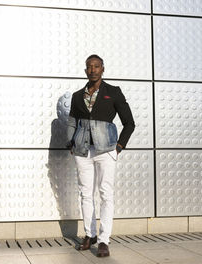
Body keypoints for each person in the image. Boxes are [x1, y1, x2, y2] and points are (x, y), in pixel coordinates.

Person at [66, 54, 135, 257]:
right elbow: (72, 121)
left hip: (106, 151)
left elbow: (129, 122)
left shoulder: (113, 92)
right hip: (82, 152)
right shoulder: (78, 96)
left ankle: (104, 240)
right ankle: (90, 235)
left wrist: (119, 147)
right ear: (85, 70)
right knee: (86, 194)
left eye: (96, 66)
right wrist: (70, 142)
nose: (93, 70)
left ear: (102, 69)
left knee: (106, 194)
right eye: (89, 67)